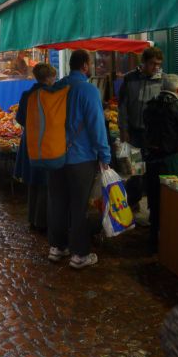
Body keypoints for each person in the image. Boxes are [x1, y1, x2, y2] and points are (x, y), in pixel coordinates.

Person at [46, 49, 111, 269]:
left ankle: (57, 247)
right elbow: (96, 126)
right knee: (79, 206)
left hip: (55, 156)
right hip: (80, 158)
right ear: (84, 65)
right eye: (90, 63)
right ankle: (79, 254)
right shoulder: (88, 90)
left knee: (58, 203)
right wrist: (105, 154)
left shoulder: (57, 87)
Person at [143, 74, 178, 252]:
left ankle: (152, 239)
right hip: (172, 160)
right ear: (177, 90)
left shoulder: (150, 106)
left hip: (152, 160)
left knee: (155, 198)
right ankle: (171, 241)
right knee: (172, 199)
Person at [15, 63, 57, 231]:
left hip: (29, 140)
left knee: (33, 181)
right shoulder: (51, 94)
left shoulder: (27, 94)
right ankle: (42, 221)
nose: (55, 79)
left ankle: (32, 218)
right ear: (48, 78)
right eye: (53, 76)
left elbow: (19, 119)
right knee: (45, 182)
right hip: (45, 142)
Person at [118, 46, 164, 149]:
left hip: (154, 135)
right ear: (143, 61)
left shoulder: (162, 81)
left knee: (152, 164)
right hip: (133, 133)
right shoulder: (129, 79)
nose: (156, 67)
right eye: (152, 63)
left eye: (159, 64)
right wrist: (123, 130)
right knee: (135, 164)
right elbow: (122, 106)